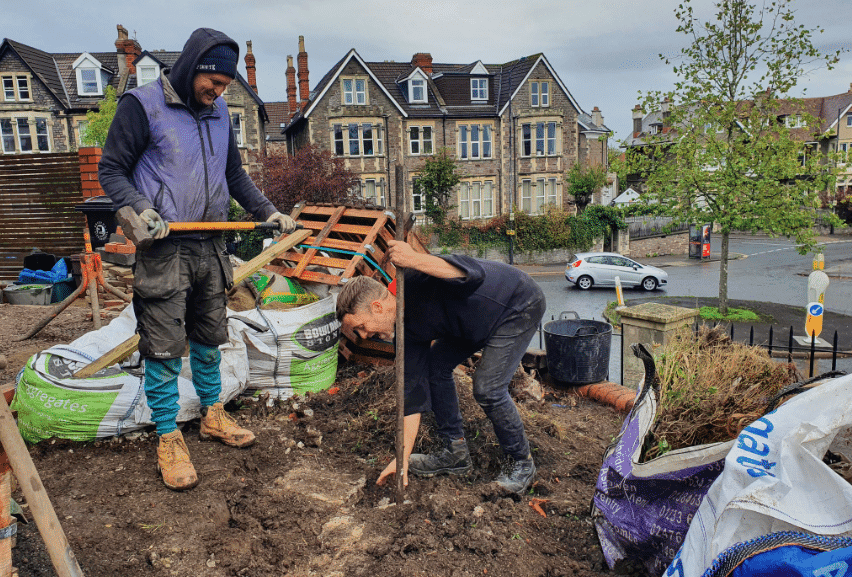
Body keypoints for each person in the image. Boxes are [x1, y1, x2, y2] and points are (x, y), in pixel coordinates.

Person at [99, 28, 296, 491]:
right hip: (165, 248)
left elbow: (232, 174)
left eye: (226, 86)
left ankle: (212, 414)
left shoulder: (219, 111)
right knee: (165, 345)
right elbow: (111, 169)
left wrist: (267, 211)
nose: (218, 92)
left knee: (209, 337)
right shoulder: (142, 105)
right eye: (214, 83)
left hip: (211, 244)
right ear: (192, 69)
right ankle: (168, 435)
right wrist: (140, 208)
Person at [336, 240, 546, 494]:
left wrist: (412, 258)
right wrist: (402, 459)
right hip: (472, 322)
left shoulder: (416, 278)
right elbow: (412, 396)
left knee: (488, 388)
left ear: (377, 307)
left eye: (360, 326)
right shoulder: (405, 334)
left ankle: (522, 463)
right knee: (435, 367)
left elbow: (473, 274)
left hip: (516, 305)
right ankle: (455, 452)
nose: (364, 335)